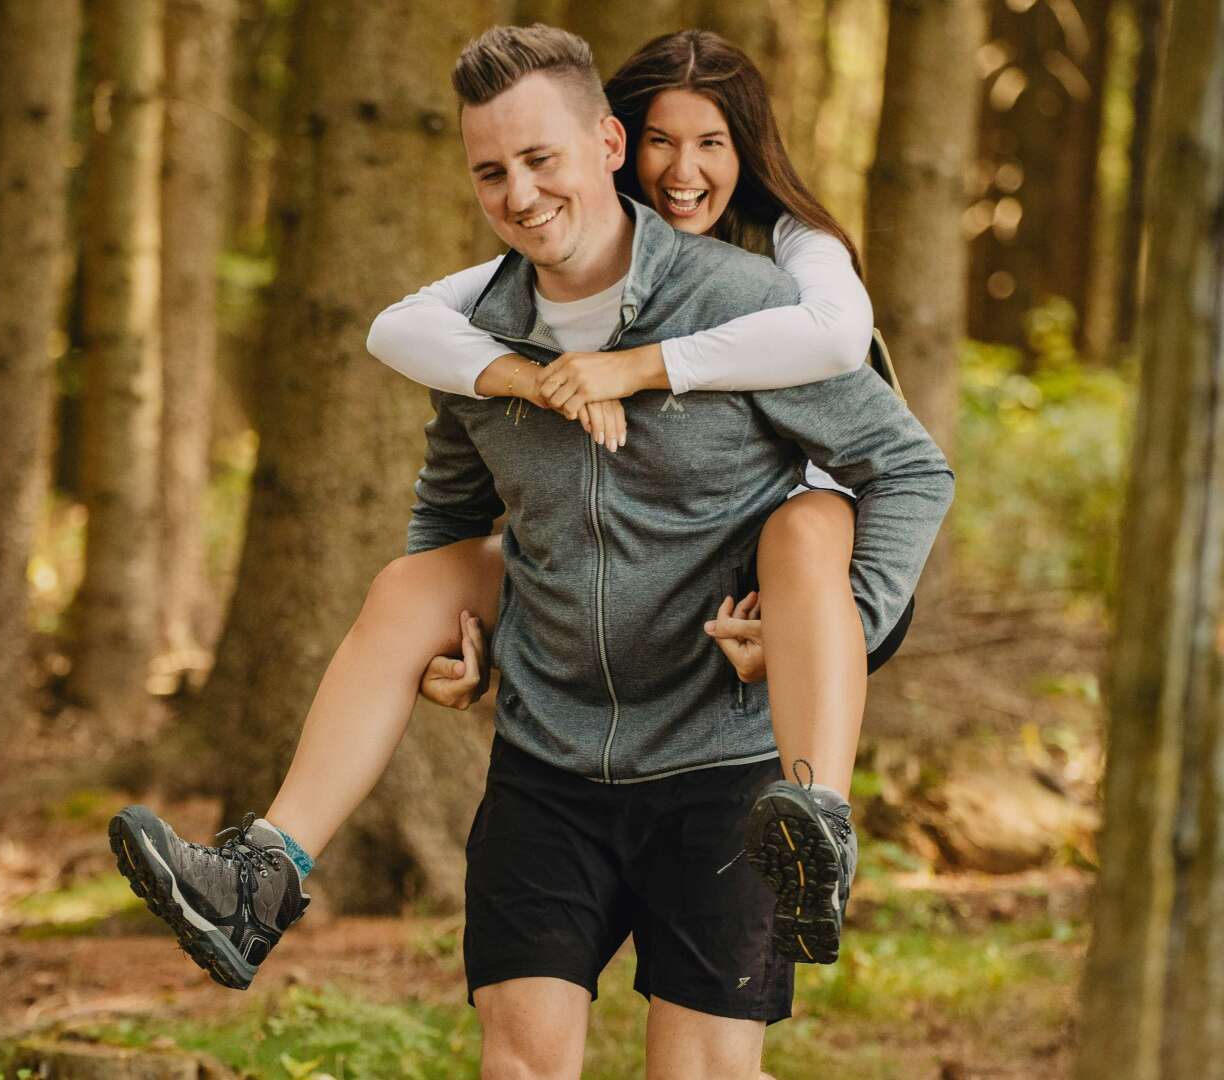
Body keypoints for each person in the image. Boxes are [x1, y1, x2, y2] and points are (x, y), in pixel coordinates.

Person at [110, 27, 951, 1072]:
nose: (519, 193)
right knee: (519, 1058)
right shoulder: (483, 337)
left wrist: (840, 631)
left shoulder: (747, 305)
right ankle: (260, 877)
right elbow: (450, 518)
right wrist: (464, 651)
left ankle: (819, 825)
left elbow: (909, 471)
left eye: (541, 159)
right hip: (550, 764)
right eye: (491, 172)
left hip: (719, 765)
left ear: (606, 143)